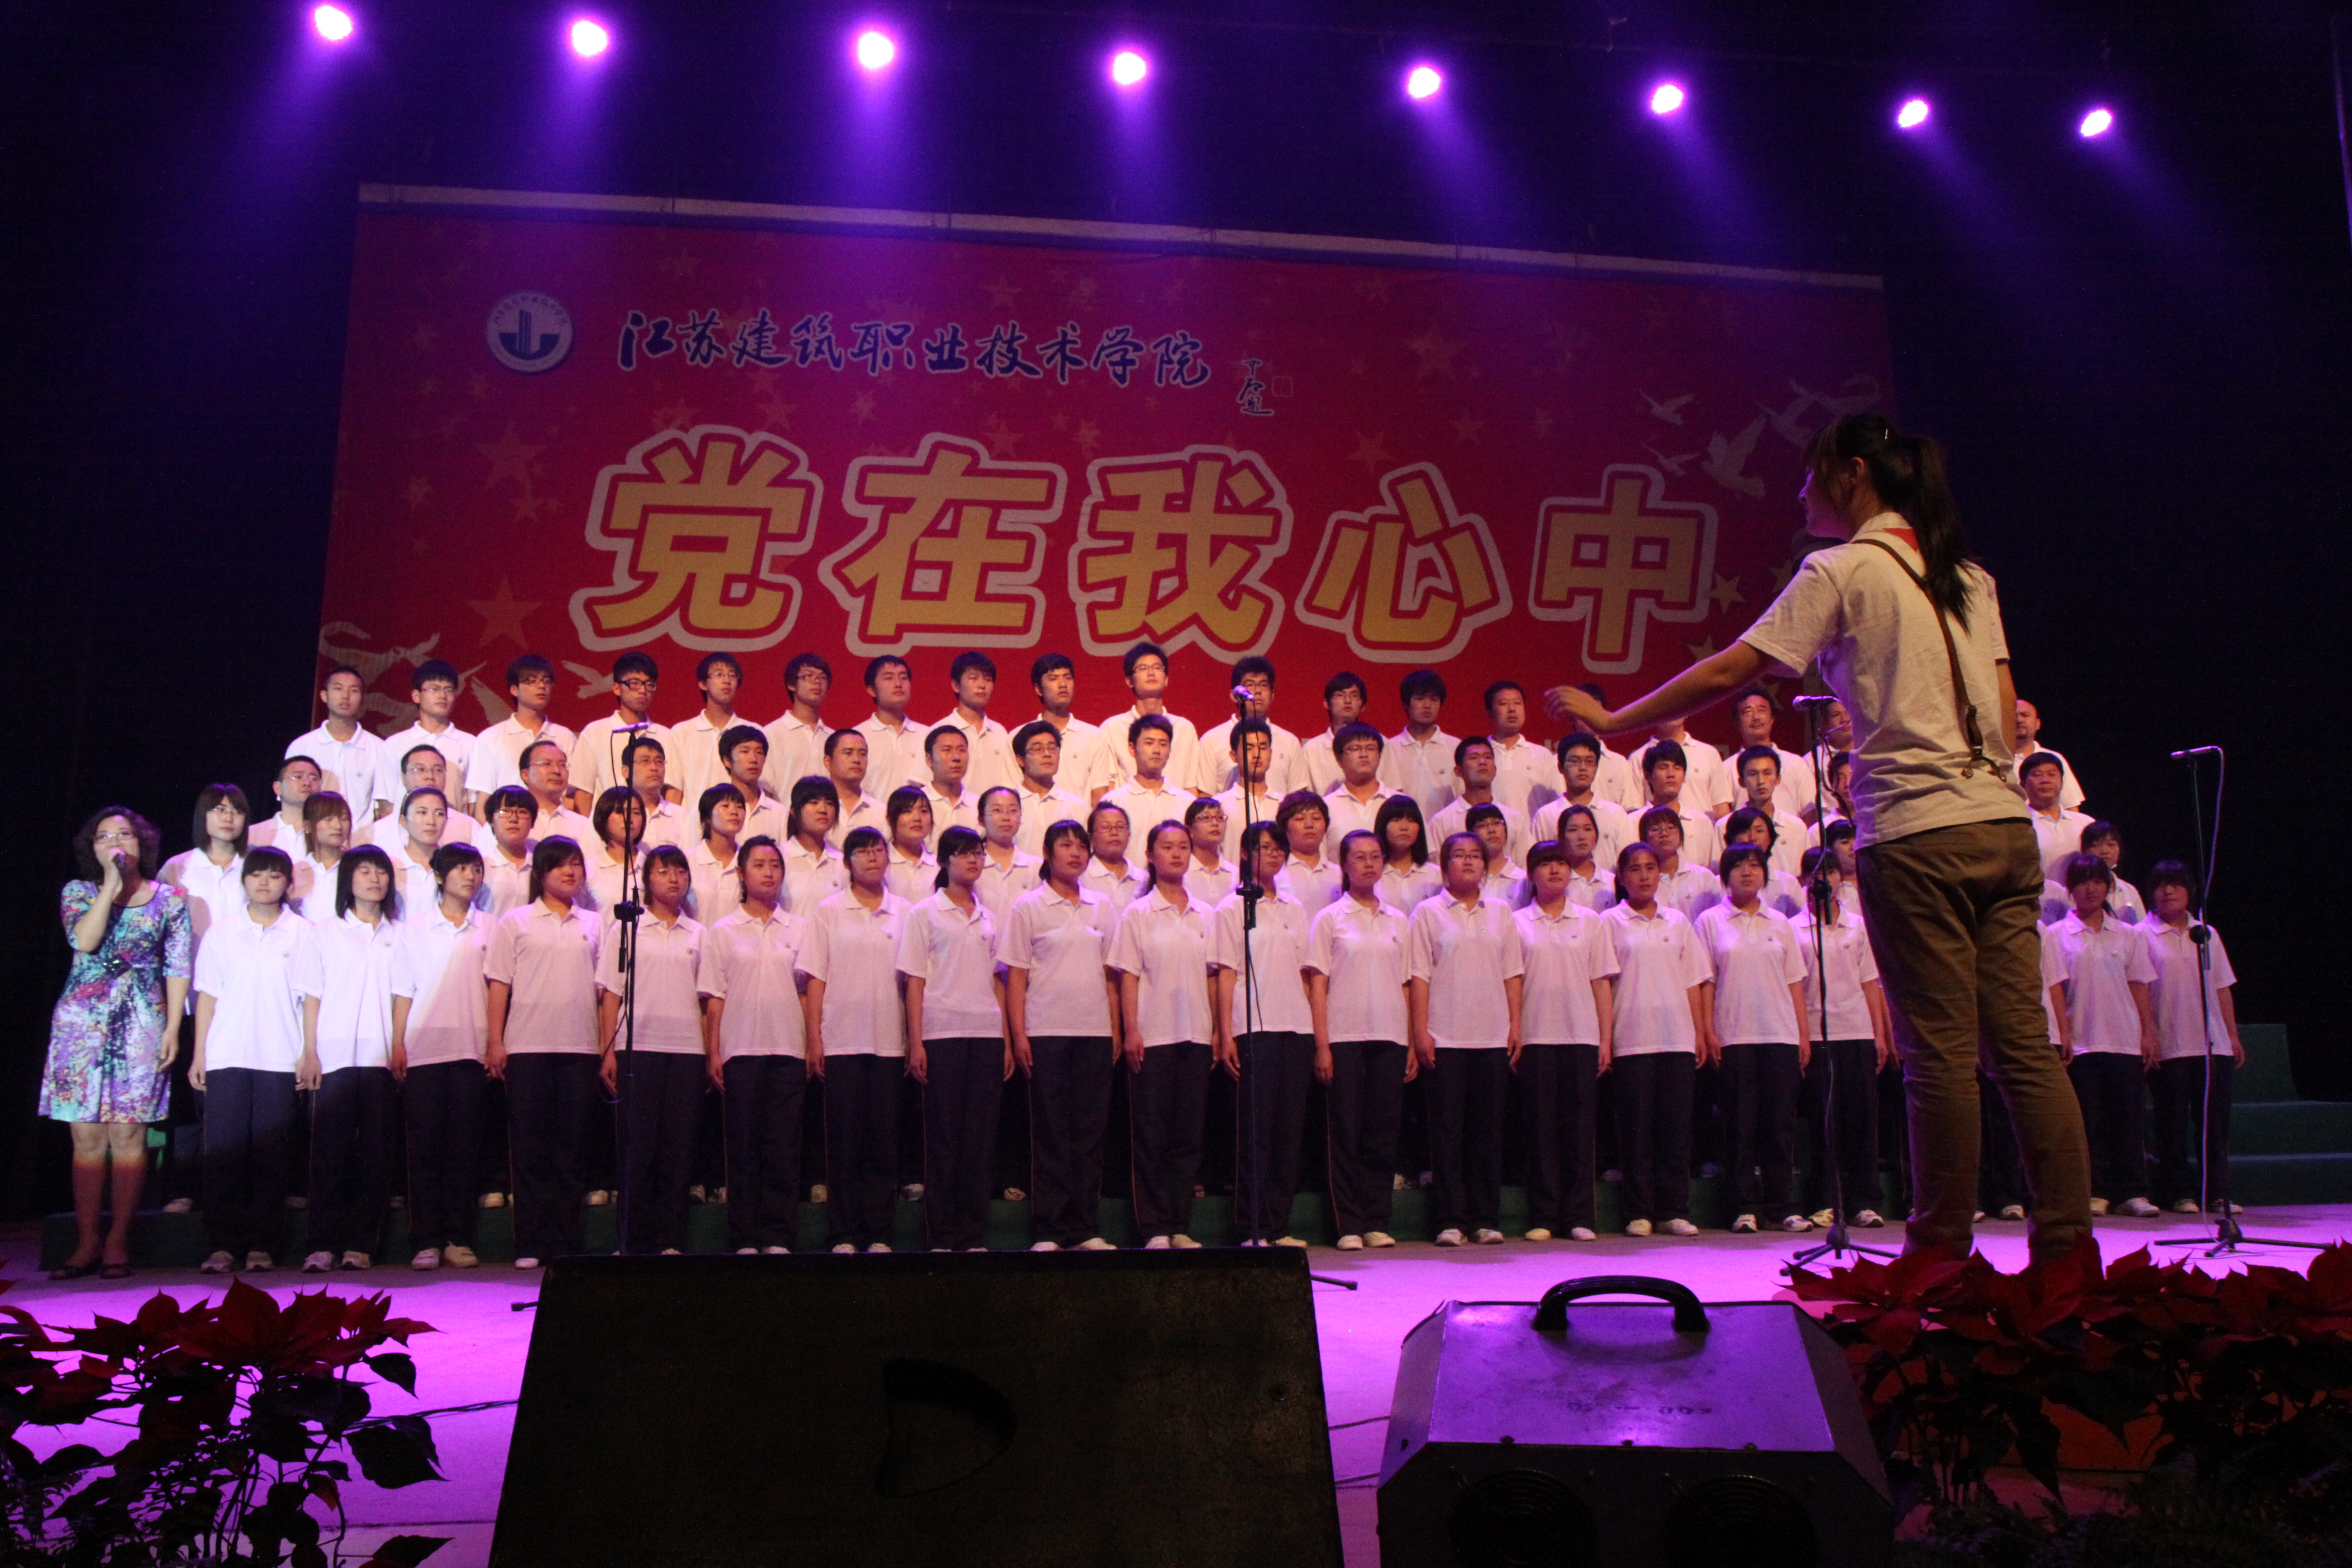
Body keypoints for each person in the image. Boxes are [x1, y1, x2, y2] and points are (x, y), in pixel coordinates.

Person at [1551, 412, 2092, 1266]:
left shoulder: (1838, 569)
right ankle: (2067, 1253)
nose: (1800, 491)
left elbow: (1733, 667)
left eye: (1810, 475)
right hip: (1999, 822)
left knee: (1938, 1056)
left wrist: (1617, 719)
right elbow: (1999, 700)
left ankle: (1939, 1256)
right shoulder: (1969, 575)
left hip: (1918, 830)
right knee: (2023, 1048)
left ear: (1852, 475)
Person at [42, 809, 193, 1279]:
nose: (114, 842)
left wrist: (172, 1028)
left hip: (142, 1020)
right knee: (87, 1135)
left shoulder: (169, 898)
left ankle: (117, 1242)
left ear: (140, 842)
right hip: (81, 1024)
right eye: (104, 836)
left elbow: (178, 966)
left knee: (129, 1133)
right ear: (92, 847)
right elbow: (85, 942)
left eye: (123, 834)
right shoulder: (78, 892)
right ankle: (86, 1240)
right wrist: (110, 884)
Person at [191, 846, 320, 1274]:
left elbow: (310, 999)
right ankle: (223, 1245)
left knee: (272, 1157)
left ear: (288, 883)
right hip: (227, 1055)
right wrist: (200, 1053)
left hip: (279, 1058)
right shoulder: (222, 933)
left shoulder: (303, 933)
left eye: (274, 875)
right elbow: (207, 996)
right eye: (257, 875)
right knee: (224, 1155)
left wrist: (309, 1052)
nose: (265, 883)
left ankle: (264, 1245)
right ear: (244, 881)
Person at [999, 820, 1122, 1252]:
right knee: (1050, 1132)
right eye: (1065, 845)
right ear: (1048, 855)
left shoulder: (1102, 905)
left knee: (1089, 1134)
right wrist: (1019, 1035)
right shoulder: (1028, 907)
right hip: (1045, 1032)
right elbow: (1016, 978)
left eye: (1081, 846)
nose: (1075, 853)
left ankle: (1085, 1227)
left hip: (1094, 1033)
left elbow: (1111, 977)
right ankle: (1050, 1229)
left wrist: (1115, 1031)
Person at [484, 836, 603, 1270]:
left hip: (580, 1048)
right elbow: (500, 984)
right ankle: (531, 1244)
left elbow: (604, 991)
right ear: (540, 874)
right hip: (527, 1048)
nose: (570, 872)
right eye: (560, 865)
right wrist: (496, 1041)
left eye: (576, 864)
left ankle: (566, 1244)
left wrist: (605, 1048)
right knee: (531, 1150)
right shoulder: (515, 921)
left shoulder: (595, 923)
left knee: (572, 1150)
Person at [799, 826, 914, 1253]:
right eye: (862, 852)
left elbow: (913, 981)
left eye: (878, 851)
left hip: (888, 1041)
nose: (872, 858)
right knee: (844, 1142)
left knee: (883, 1141)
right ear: (847, 862)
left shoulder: (906, 912)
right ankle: (844, 1233)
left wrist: (913, 1038)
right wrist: (815, 1039)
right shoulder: (829, 912)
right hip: (841, 1041)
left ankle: (879, 1232)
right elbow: (816, 978)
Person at [697, 835, 813, 1254]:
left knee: (783, 1145)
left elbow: (806, 993)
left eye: (775, 865)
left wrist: (811, 1044)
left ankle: (778, 1234)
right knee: (743, 1145)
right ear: (742, 874)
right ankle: (745, 1236)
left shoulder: (800, 928)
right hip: (740, 1050)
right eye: (759, 865)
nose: (769, 873)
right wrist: (714, 1051)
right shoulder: (722, 931)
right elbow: (715, 997)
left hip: (788, 1049)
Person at [1408, 833, 1524, 1247]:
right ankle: (1450, 1220)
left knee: (1487, 1133)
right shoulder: (1428, 913)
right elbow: (1419, 975)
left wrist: (1515, 1025)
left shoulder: (1501, 913)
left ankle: (1485, 1218)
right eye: (1459, 855)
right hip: (1446, 1036)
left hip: (1492, 1036)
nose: (1469, 862)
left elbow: (1512, 974)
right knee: (1447, 1133)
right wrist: (1421, 1031)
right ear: (1444, 866)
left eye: (1476, 856)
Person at [1109, 820, 1219, 1248]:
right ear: (1151, 856)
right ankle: (1154, 1227)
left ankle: (1179, 1224)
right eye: (1167, 847)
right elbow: (1128, 977)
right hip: (1153, 1036)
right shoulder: (1138, 914)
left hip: (1196, 1035)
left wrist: (1216, 1030)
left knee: (1188, 1135)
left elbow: (1213, 978)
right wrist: (1131, 1030)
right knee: (1151, 1134)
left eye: (1183, 847)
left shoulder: (1206, 913)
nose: (1176, 854)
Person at [897, 826, 1007, 1252]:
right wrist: (917, 1042)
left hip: (985, 1035)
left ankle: (972, 1233)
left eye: (978, 852)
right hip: (942, 1034)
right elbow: (915, 981)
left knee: (980, 1139)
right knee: (943, 1138)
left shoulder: (989, 917)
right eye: (963, 853)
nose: (973, 860)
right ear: (944, 861)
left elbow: (998, 981)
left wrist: (1004, 1037)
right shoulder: (924, 913)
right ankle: (942, 1235)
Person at [1694, 845, 1811, 1234]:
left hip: (1780, 1034)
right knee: (1739, 1127)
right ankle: (1742, 1207)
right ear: (1725, 876)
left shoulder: (1780, 923)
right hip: (1734, 1034)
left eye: (1755, 866)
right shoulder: (1710, 922)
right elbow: (1706, 982)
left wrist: (1802, 1035)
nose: (1747, 872)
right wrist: (1708, 1030)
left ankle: (1782, 1206)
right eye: (1739, 866)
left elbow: (1794, 982)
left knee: (1779, 1126)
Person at [595, 842, 705, 1255]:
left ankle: (669, 1240)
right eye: (663, 871)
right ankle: (632, 1242)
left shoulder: (699, 934)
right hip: (637, 1048)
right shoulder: (627, 930)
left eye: (680, 871)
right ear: (646, 880)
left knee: (678, 1149)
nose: (674, 878)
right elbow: (611, 994)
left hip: (687, 1052)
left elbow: (707, 1000)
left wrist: (710, 1051)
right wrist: (608, 1050)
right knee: (637, 1149)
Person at [1212, 822, 1317, 1246]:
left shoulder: (1295, 907)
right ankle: (1252, 1226)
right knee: (1255, 1132)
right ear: (1245, 854)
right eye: (1264, 848)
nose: (1273, 855)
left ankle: (1280, 1225)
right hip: (1254, 1028)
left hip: (1297, 1027)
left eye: (1279, 849)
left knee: (1289, 1133)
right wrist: (1225, 1034)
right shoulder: (1231, 908)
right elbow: (1226, 974)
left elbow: (1306, 974)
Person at [1306, 830, 1412, 1250]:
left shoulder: (1398, 919)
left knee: (1382, 1133)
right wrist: (1323, 1045)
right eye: (1359, 857)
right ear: (1344, 865)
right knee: (1345, 1132)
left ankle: (1376, 1220)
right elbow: (1318, 985)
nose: (1369, 863)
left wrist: (1407, 1039)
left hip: (1389, 1036)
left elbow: (1405, 983)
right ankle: (1347, 1223)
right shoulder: (1330, 918)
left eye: (1375, 856)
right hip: (1344, 1037)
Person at [1601, 843, 1710, 1238]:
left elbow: (1693, 981)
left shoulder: (1677, 921)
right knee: (1636, 1131)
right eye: (1635, 869)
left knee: (1675, 1130)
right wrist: (1606, 1038)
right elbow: (1603, 984)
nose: (1645, 875)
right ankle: (1639, 1212)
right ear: (1622, 878)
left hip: (1676, 1037)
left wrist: (1698, 1032)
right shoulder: (1609, 922)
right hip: (1631, 1037)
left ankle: (1673, 1210)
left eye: (1651, 868)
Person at [302, 846, 403, 1272]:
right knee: (330, 1153)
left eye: (381, 871)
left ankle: (362, 1245)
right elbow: (312, 996)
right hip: (334, 1056)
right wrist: (310, 1052)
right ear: (349, 880)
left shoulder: (400, 935)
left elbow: (403, 996)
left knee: (376, 1154)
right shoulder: (325, 932)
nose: (375, 879)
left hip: (380, 1056)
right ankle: (322, 1244)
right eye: (365, 871)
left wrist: (399, 1046)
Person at [390, 842, 490, 1269]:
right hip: (424, 1049)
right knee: (425, 1149)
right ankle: (426, 1240)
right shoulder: (414, 929)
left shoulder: (490, 927)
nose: (470, 876)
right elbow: (403, 990)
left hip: (471, 1048)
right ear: (438, 875)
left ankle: (457, 1237)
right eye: (461, 868)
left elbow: (497, 991)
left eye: (476, 869)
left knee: (464, 1148)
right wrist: (398, 1043)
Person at [1515, 838, 1618, 1244]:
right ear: (1531, 875)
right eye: (1545, 864)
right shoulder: (1517, 923)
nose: (1555, 870)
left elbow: (1601, 983)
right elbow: (1513, 983)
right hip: (1536, 1035)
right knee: (1540, 1130)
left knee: (1579, 1130)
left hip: (1581, 1036)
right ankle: (1544, 1215)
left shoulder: (1590, 921)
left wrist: (1605, 1039)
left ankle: (1579, 1214)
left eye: (1560, 863)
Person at [2054, 852, 2161, 1218]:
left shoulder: (2128, 935)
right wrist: (2064, 1034)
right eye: (2083, 882)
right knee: (2090, 1123)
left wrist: (2148, 1032)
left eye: (2099, 882)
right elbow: (2055, 991)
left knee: (2128, 1121)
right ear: (2070, 889)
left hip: (2124, 1041)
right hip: (2082, 1042)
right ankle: (2096, 1191)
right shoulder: (2057, 935)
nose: (2091, 889)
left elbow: (2139, 985)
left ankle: (2133, 1192)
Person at [2140, 861, 2244, 1215]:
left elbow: (2223, 987)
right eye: (2161, 885)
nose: (2168, 892)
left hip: (2212, 1045)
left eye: (2176, 885)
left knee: (2214, 1124)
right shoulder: (2141, 934)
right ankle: (2179, 1193)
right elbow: (2141, 990)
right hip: (2170, 1045)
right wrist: (2149, 1034)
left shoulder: (2206, 934)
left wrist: (2232, 1035)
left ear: (2190, 891)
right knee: (2171, 1125)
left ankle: (2218, 1193)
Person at [464, 655, 578, 815]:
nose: (542, 686)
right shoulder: (491, 738)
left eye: (546, 681)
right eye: (532, 681)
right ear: (514, 690)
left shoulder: (564, 737)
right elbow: (484, 798)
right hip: (510, 824)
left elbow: (570, 795)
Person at [1089, 641, 1200, 799]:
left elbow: (1191, 786)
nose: (1151, 673)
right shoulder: (1112, 728)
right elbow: (1110, 786)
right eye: (1143, 668)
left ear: (1166, 679)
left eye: (1157, 667)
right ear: (1129, 681)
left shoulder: (1184, 728)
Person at [569, 651, 676, 812]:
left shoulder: (665, 735)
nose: (643, 691)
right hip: (607, 823)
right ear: (617, 688)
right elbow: (583, 792)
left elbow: (670, 790)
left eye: (649, 685)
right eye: (635, 684)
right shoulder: (595, 732)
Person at [374, 659, 477, 819]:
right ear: (416, 696)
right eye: (434, 689)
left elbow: (473, 803)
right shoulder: (395, 744)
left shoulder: (471, 744)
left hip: (454, 829)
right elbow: (386, 804)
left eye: (448, 690)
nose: (442, 696)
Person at [288, 664, 389, 819]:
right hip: (312, 832)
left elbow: (382, 808)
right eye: (338, 688)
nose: (346, 696)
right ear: (324, 696)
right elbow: (291, 802)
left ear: (363, 699)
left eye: (354, 690)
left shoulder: (379, 748)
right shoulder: (301, 747)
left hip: (361, 833)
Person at [1197, 656, 1302, 797]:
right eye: (1250, 685)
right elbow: (1206, 796)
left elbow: (1298, 799)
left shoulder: (1290, 742)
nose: (1258, 691)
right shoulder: (1212, 740)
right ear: (1234, 695)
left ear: (1272, 695)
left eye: (1264, 685)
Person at [1713, 687, 1815, 821]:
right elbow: (1724, 818)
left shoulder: (1796, 763)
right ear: (1737, 723)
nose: (1756, 717)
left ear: (1772, 719)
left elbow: (1810, 814)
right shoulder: (1726, 768)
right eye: (1748, 712)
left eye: (1762, 710)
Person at [1531, 735, 1632, 867]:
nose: (1583, 768)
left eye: (1590, 762)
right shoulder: (1546, 816)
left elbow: (1628, 862)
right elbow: (1538, 863)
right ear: (1560, 767)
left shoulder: (1616, 814)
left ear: (1597, 767)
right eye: (1575, 761)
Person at [1429, 736, 1532, 865]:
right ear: (1459, 771)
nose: (1483, 762)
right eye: (1474, 758)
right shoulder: (1442, 823)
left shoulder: (1514, 819)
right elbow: (1439, 870)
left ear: (1495, 769)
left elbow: (1525, 868)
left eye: (1488, 757)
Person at [1026, 653, 1110, 805]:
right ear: (1038, 689)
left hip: (1079, 820)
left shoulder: (1095, 737)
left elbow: (1099, 795)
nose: (1063, 684)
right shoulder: (1020, 736)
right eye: (1053, 679)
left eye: (1068, 677)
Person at [930, 651, 1018, 794]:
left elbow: (1011, 783)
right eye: (974, 678)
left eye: (988, 679)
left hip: (993, 808)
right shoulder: (939, 731)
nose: (982, 685)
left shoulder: (999, 732)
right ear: (956, 686)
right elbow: (923, 784)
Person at [366, 745, 481, 851]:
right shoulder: (378, 832)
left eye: (438, 770)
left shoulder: (469, 827)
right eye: (420, 769)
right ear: (403, 777)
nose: (430, 776)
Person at [673, 652, 748, 814]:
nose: (727, 680)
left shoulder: (750, 732)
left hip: (738, 820)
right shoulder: (682, 732)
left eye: (732, 675)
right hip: (694, 823)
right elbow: (675, 789)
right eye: (719, 675)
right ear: (703, 683)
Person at [1380, 669, 1458, 816]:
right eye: (1420, 698)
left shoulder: (1455, 747)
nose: (1427, 705)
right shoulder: (1390, 748)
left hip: (1447, 828)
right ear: (1406, 704)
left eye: (1434, 699)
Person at [854, 655, 929, 803]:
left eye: (904, 677)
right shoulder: (858, 738)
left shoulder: (927, 735)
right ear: (872, 690)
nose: (898, 684)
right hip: (873, 817)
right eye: (889, 678)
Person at [1483, 681, 1564, 819]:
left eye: (1518, 703)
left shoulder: (1542, 755)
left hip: (1533, 832)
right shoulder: (1480, 756)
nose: (1512, 709)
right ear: (1490, 713)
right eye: (1504, 704)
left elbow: (1555, 805)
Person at [1638, 740, 1720, 871]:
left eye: (1677, 768)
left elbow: (1710, 870)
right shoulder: (1634, 821)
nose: (1671, 774)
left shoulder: (1701, 822)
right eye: (1664, 767)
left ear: (1684, 776)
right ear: (1648, 776)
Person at [1009, 720, 1086, 858]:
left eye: (1052, 748)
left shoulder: (1077, 807)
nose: (1047, 754)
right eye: (1037, 749)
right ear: (1020, 760)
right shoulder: (1007, 805)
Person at [1099, 714, 1193, 826]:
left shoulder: (1187, 802)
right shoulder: (1114, 802)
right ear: (1132, 749)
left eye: (1163, 744)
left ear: (1170, 751)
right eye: (1149, 743)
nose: (1157, 750)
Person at [1726, 748, 1808, 879]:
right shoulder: (1725, 825)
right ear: (1742, 781)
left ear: (1778, 779)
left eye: (1767, 773)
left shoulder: (1796, 827)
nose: (1761, 781)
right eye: (1753, 774)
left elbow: (1805, 873)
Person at [2042, 821, 2142, 925]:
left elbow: (2141, 929)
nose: (2105, 851)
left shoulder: (2129, 891)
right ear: (2084, 851)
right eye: (2096, 845)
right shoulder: (2071, 894)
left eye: (2111, 845)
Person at [1210, 720, 1280, 863]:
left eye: (1263, 748)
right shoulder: (1219, 806)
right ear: (1234, 756)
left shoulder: (1284, 805)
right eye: (1249, 748)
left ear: (1271, 753)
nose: (1257, 755)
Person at [765, 651, 835, 794]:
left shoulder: (833, 738)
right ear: (792, 684)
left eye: (823, 677)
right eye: (809, 676)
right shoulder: (771, 734)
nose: (817, 681)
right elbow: (764, 790)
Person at [972, 785, 1041, 921]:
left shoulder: (1036, 868)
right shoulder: (972, 865)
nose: (1006, 817)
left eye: (1013, 810)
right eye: (997, 810)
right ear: (981, 819)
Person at [2021, 754, 2092, 884]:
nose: (2045, 780)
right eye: (2037, 775)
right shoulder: (2021, 825)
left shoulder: (2086, 823)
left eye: (2052, 774)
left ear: (2062, 783)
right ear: (2023, 784)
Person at [1299, 670, 1371, 796]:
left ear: (1363, 705)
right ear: (1327, 704)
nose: (1348, 701)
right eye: (1340, 695)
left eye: (1354, 695)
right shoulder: (1312, 750)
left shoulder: (1378, 744)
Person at [1321, 721, 1395, 841]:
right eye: (1355, 749)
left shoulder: (1398, 803)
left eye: (1370, 748)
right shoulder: (1326, 808)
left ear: (1380, 755)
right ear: (1339, 759)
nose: (1364, 755)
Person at [687, 784, 748, 926]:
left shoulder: (748, 862)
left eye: (740, 807)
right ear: (707, 817)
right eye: (726, 806)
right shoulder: (689, 861)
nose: (735, 812)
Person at [518, 739, 598, 847]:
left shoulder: (583, 826)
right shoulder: (513, 822)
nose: (557, 771)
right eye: (547, 764)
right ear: (526, 775)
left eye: (562, 765)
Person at [1641, 807, 1717, 920]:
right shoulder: (1643, 880)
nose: (1664, 834)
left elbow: (1714, 921)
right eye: (1656, 829)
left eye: (1671, 828)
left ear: (1681, 834)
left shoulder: (1704, 877)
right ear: (1644, 839)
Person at [2012, 698, 2086, 812]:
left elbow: (2070, 806)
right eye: (2013, 716)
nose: (2019, 720)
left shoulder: (2054, 758)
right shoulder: (1994, 759)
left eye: (2025, 715)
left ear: (2038, 724)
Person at [717, 726, 787, 844]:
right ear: (727, 761)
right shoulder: (713, 810)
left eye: (759, 752)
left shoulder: (780, 813)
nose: (754, 759)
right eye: (745, 752)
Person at [1273, 790, 1340, 912]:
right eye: (1300, 819)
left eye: (1316, 818)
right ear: (1284, 827)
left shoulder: (1340, 875)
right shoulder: (1277, 874)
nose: (1309, 824)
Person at [619, 735, 690, 849]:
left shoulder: (682, 817)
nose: (654, 768)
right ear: (626, 771)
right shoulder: (613, 815)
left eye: (659, 762)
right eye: (645, 761)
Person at [585, 787, 648, 915]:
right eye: (620, 812)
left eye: (636, 813)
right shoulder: (590, 871)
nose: (629, 819)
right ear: (603, 817)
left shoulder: (651, 867)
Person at [293, 792, 353, 924]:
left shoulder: (357, 870)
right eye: (328, 819)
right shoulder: (294, 873)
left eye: (343, 818)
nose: (338, 826)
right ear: (308, 826)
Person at [1374, 794, 1441, 915]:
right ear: (1383, 826)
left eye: (1411, 820)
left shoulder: (1436, 875)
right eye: (1396, 820)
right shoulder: (1374, 876)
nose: (1404, 827)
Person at [478, 786, 538, 919]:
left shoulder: (540, 868)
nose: (514, 819)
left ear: (533, 822)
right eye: (505, 811)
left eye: (522, 812)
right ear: (491, 820)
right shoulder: (481, 868)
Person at [825, 729, 888, 849]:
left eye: (863, 754)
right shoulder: (816, 810)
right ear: (828, 761)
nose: (857, 760)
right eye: (848, 753)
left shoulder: (882, 813)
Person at [919, 726, 980, 850]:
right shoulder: (917, 804)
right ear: (929, 760)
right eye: (947, 750)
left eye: (962, 750)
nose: (956, 757)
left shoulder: (979, 805)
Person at [1548, 807, 1617, 914]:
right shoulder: (1557, 881)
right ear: (1561, 837)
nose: (1581, 837)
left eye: (1588, 829)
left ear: (1596, 836)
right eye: (1573, 830)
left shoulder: (1612, 881)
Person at [249, 755, 323, 852]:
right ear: (278, 788)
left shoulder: (332, 833)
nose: (307, 783)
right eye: (298, 777)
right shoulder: (253, 835)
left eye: (313, 778)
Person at [1081, 801, 1144, 910]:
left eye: (1120, 827)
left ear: (1129, 835)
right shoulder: (1081, 877)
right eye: (1106, 827)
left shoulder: (1143, 879)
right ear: (1091, 838)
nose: (1114, 832)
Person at [882, 785, 938, 903]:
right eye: (907, 811)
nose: (917, 818)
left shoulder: (939, 866)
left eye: (924, 811)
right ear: (890, 819)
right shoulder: (880, 863)